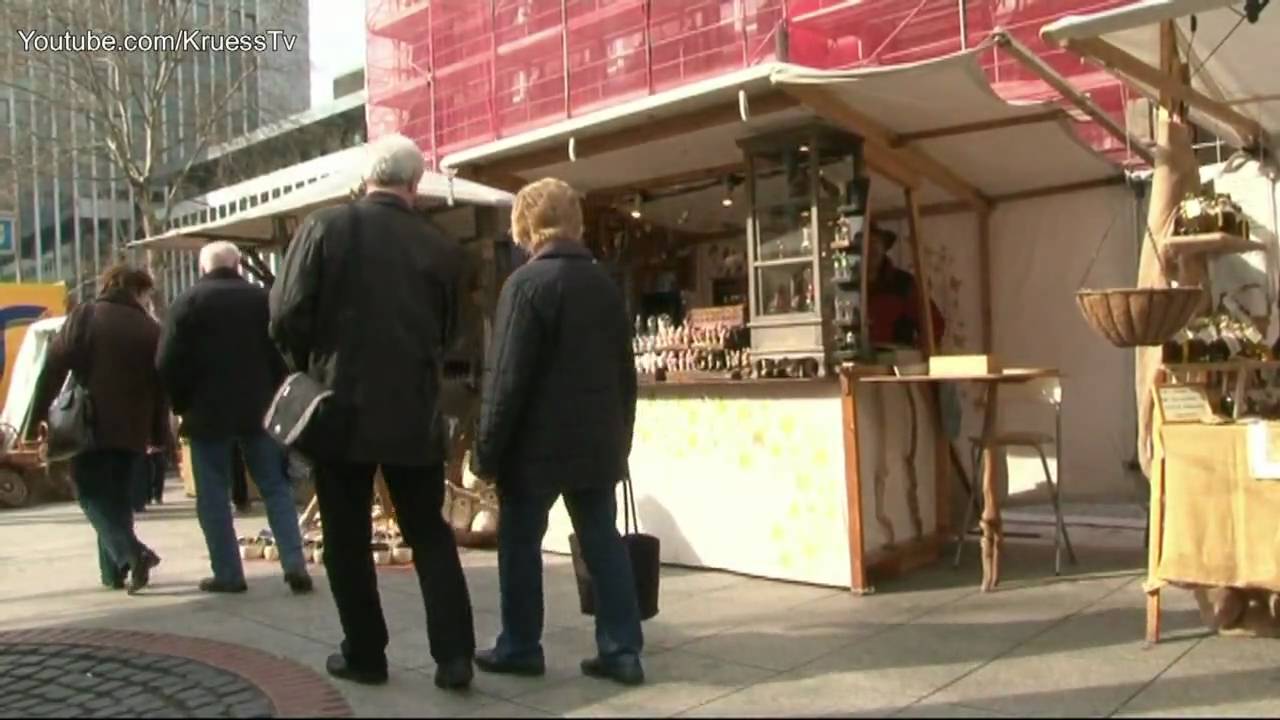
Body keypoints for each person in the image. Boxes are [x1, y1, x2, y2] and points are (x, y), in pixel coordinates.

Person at [269, 134, 476, 690]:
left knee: (346, 535)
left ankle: (365, 652)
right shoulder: (443, 247)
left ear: (366, 180)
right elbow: (455, 332)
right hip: (413, 407)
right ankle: (454, 657)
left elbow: (286, 314)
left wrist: (310, 364)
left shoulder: (323, 228)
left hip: (340, 406)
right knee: (428, 531)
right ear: (415, 185)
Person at [471, 178, 645, 687]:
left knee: (521, 544)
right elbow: (624, 375)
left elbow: (506, 378)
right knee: (602, 541)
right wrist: (622, 440)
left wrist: (486, 453)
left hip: (534, 449)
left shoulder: (525, 286)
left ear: (525, 225)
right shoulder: (604, 284)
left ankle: (521, 644)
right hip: (596, 443)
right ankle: (621, 650)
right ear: (575, 222)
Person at [156, 241, 311, 595]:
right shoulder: (264, 301)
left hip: (207, 413)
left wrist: (182, 403)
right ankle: (294, 563)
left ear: (202, 268)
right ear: (239, 265)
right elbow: (284, 352)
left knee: (212, 494)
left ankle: (228, 573)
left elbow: (166, 361)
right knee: (275, 487)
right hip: (260, 408)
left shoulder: (187, 303)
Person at [44, 264, 167, 594]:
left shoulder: (86, 316)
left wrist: (42, 413)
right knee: (116, 500)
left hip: (89, 425)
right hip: (133, 430)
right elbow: (160, 389)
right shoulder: (150, 329)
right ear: (138, 292)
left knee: (90, 495)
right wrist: (158, 435)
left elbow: (54, 363)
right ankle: (113, 574)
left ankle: (133, 554)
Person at [865, 225, 946, 348]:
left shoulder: (903, 283)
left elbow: (934, 324)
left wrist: (913, 354)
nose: (870, 250)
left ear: (883, 248)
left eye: (875, 243)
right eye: (864, 245)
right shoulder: (844, 287)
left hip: (897, 364)